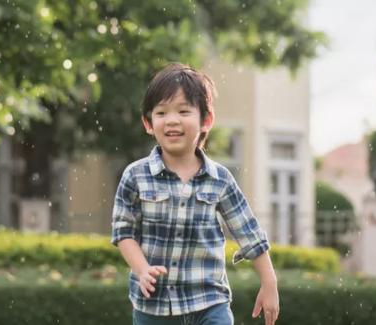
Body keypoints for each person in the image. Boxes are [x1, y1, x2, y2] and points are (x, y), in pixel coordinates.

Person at [111, 63, 279, 325]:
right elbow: (123, 232)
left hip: (209, 303)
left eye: (184, 111)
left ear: (206, 120)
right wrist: (142, 269)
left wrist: (269, 282)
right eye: (161, 112)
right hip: (153, 307)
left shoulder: (220, 179)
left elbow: (249, 232)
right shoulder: (135, 176)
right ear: (148, 123)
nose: (172, 120)